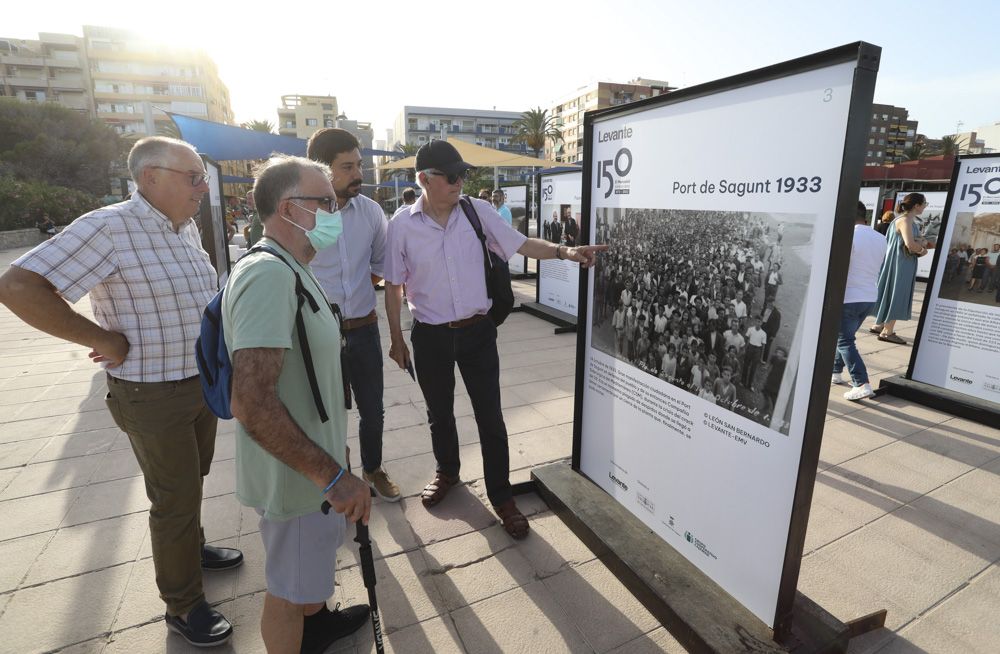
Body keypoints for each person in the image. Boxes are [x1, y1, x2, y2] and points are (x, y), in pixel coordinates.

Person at [0, 136, 241, 647]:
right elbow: (18, 286)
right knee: (173, 497)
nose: (202, 186)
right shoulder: (109, 228)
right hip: (152, 393)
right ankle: (183, 604)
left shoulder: (183, 227)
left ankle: (191, 550)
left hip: (198, 382)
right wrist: (99, 337)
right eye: (192, 177)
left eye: (201, 177)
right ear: (149, 177)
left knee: (191, 480)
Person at [383, 140, 606, 540]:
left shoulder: (477, 211)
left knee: (491, 418)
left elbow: (521, 244)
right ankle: (448, 472)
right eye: (452, 176)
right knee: (440, 414)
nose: (460, 182)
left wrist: (564, 251)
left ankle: (502, 496)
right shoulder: (401, 225)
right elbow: (394, 286)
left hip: (477, 333)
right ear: (424, 180)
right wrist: (397, 339)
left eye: (463, 174)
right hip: (430, 336)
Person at [225, 155, 371, 653]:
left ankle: (319, 625)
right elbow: (251, 400)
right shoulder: (268, 275)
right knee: (288, 590)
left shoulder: (295, 266)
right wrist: (331, 476)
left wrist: (337, 456)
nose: (336, 209)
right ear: (289, 209)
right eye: (326, 202)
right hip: (298, 478)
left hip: (312, 468)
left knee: (308, 577)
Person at [307, 128, 400, 501]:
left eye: (359, 165)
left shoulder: (371, 211)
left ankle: (373, 469)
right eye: (347, 167)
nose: (358, 174)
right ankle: (337, 477)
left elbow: (379, 266)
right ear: (321, 169)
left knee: (373, 410)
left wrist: (358, 294)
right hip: (317, 332)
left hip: (363, 327)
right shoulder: (304, 213)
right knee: (325, 414)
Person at [832, 201, 885, 401]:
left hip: (849, 297)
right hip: (869, 296)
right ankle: (836, 371)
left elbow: (840, 268)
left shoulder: (849, 236)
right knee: (845, 338)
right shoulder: (880, 238)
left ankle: (861, 383)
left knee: (845, 340)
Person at [871, 193, 933, 344]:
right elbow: (910, 245)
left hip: (897, 261)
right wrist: (922, 250)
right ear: (917, 205)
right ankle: (887, 331)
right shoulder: (905, 220)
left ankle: (879, 325)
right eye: (925, 203)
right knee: (897, 293)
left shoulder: (904, 220)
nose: (925, 206)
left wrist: (921, 241)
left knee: (890, 291)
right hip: (901, 263)